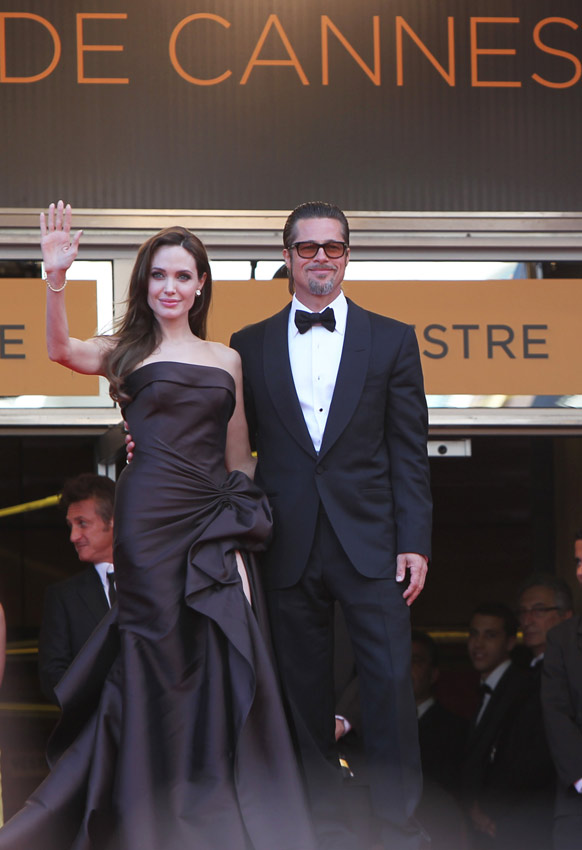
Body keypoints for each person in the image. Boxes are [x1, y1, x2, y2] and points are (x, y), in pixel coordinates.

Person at [0, 201, 316, 850]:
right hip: (148, 522)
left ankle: (210, 821)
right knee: (155, 658)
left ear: (201, 286)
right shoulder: (127, 352)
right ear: (145, 285)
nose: (170, 287)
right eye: (159, 276)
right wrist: (54, 278)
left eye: (183, 276)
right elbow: (59, 349)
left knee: (226, 654)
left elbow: (238, 461)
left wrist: (244, 531)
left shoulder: (227, 361)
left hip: (212, 521)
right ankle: (144, 821)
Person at [230, 201, 432, 850]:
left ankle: (397, 827)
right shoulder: (248, 345)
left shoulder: (394, 338)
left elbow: (409, 450)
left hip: (373, 544)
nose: (322, 257)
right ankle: (319, 829)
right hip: (286, 545)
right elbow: (233, 449)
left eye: (334, 247)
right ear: (286, 255)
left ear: (349, 255)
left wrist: (414, 542)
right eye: (308, 247)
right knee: (300, 695)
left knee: (389, 688)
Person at [38, 473, 116, 703]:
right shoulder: (63, 596)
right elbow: (53, 676)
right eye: (70, 525)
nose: (73, 536)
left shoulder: (153, 583)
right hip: (93, 731)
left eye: (82, 523)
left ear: (113, 520)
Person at [542, 537, 582, 849]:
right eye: (579, 562)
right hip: (577, 801)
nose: (581, 572)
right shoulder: (562, 639)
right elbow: (556, 711)